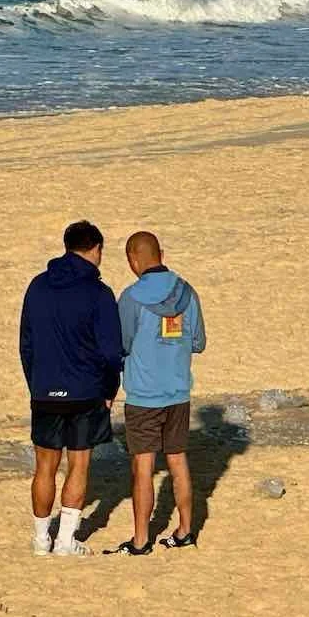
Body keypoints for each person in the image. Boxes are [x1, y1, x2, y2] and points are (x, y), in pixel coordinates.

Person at [19, 220, 124, 557]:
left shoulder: (38, 286)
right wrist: (110, 388)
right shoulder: (99, 293)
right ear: (96, 249)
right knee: (79, 464)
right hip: (85, 391)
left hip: (45, 388)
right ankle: (65, 540)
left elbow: (27, 344)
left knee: (44, 466)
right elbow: (110, 351)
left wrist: (36, 383)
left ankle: (40, 539)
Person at [111, 231, 207, 555]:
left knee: (143, 466)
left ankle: (141, 539)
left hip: (142, 395)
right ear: (161, 254)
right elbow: (199, 343)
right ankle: (185, 531)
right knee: (178, 461)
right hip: (178, 391)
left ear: (132, 260)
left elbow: (120, 344)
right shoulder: (188, 292)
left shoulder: (130, 298)